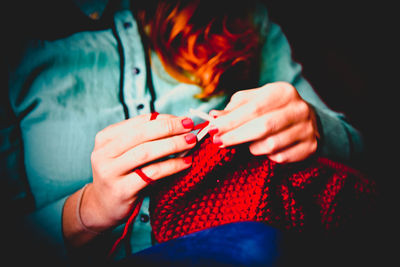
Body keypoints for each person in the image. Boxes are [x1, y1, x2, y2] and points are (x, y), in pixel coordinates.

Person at [3, 0, 364, 265]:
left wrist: (314, 127)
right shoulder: (15, 46)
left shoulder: (242, 16)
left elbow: (365, 159)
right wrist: (86, 211)